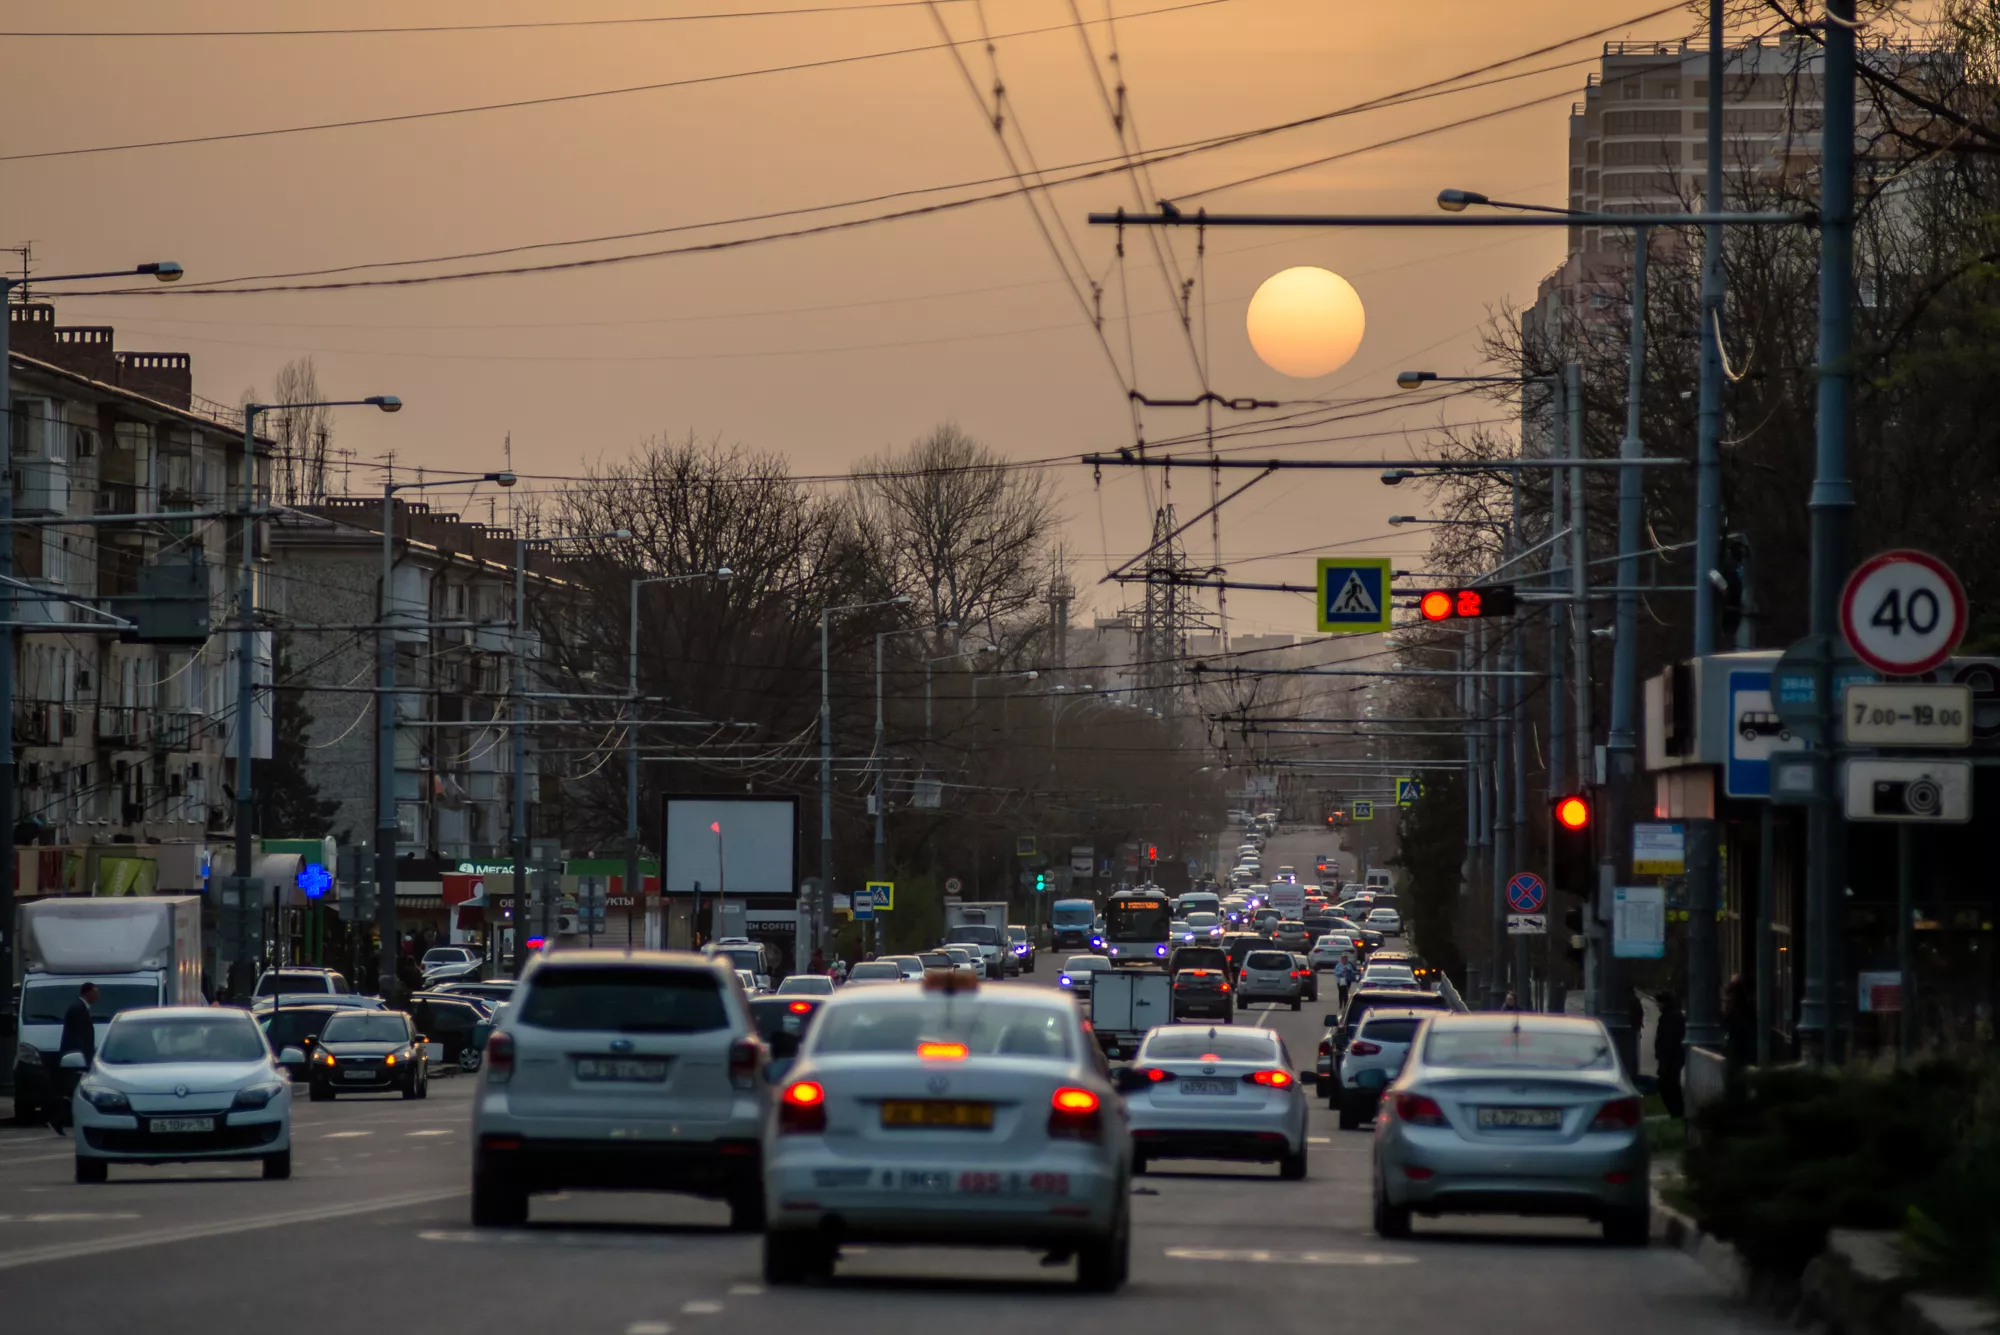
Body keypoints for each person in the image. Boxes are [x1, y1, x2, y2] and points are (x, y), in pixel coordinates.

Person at [52, 981, 99, 1134]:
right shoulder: (78, 1009)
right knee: (74, 1091)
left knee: (73, 1091)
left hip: (77, 1057)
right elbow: (78, 1036)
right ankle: (57, 1119)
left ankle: (58, 1120)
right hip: (76, 1059)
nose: (97, 996)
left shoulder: (81, 1008)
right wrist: (83, 1058)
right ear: (87, 993)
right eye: (95, 992)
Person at [1654, 991, 1687, 1119]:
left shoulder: (1671, 1017)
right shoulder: (1671, 1015)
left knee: (1668, 1085)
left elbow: (1669, 1039)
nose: (1657, 1005)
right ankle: (1677, 1112)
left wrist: (1664, 1056)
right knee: (1669, 1084)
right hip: (1670, 1057)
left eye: (1658, 1003)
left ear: (1663, 1002)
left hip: (1670, 1058)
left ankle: (1677, 1111)